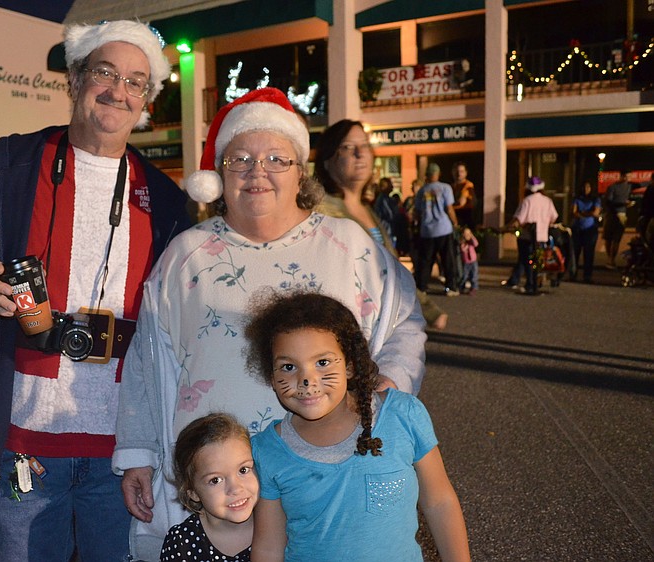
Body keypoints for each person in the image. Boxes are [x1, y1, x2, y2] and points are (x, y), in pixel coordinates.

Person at [0, 20, 192, 562]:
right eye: (105, 72)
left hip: (122, 448)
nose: (119, 90)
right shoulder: (10, 165)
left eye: (137, 82)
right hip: (23, 440)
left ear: (147, 101)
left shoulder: (163, 198)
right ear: (75, 79)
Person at [113, 88, 427, 561]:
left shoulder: (348, 244)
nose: (257, 172)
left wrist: (385, 385)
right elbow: (145, 358)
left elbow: (405, 319)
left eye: (276, 159)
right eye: (239, 159)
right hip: (216, 496)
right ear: (219, 174)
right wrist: (138, 453)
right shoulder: (184, 255)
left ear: (300, 171)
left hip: (324, 486)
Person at [245, 291, 470, 562]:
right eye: (289, 366)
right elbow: (269, 546)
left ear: (350, 365)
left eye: (322, 362)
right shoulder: (268, 450)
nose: (306, 379)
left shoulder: (403, 416)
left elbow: (440, 502)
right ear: (271, 376)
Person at [313, 119, 448, 330]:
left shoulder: (368, 210)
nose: (360, 153)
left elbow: (393, 269)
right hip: (345, 329)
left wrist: (430, 310)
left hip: (380, 327)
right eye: (348, 147)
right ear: (328, 161)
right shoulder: (320, 210)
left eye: (365, 145)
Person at [161, 413, 258, 562]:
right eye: (215, 480)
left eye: (243, 470)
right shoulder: (181, 542)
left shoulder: (279, 524)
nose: (235, 488)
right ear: (193, 492)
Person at [502, 176, 559, 295]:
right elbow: (554, 217)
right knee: (535, 260)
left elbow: (519, 219)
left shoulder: (527, 201)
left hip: (526, 236)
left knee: (526, 259)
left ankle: (530, 283)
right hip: (541, 236)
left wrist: (506, 228)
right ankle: (519, 280)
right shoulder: (547, 201)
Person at [415, 163, 460, 296]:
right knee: (448, 259)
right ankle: (450, 287)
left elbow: (418, 212)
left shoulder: (421, 191)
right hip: (444, 228)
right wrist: (455, 223)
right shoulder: (445, 188)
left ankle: (422, 288)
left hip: (427, 230)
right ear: (438, 174)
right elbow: (449, 209)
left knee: (426, 260)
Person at [570, 181, 601, 283]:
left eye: (588, 187)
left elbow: (596, 212)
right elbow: (573, 212)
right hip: (577, 229)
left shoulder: (595, 199)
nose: (585, 189)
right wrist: (588, 213)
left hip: (590, 229)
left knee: (588, 253)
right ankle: (573, 274)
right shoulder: (577, 199)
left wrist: (582, 213)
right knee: (575, 253)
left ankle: (587, 276)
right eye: (584, 187)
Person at [602, 170, 633, 268]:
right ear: (622, 177)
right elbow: (608, 202)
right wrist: (624, 204)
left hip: (622, 215)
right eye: (627, 177)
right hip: (612, 215)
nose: (628, 179)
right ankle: (609, 258)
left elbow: (641, 184)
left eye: (629, 177)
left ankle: (611, 259)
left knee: (616, 239)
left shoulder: (629, 186)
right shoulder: (612, 187)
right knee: (608, 238)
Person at [451, 161, 476, 229]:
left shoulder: (468, 185)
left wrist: (448, 206)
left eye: (461, 171)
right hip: (453, 215)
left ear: (466, 173)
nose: (459, 174)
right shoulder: (452, 186)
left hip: (464, 216)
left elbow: (461, 202)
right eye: (457, 171)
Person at [459, 226, 479, 294]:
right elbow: (462, 249)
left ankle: (474, 288)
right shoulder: (463, 243)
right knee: (464, 276)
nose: (467, 235)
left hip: (473, 261)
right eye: (466, 234)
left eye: (469, 233)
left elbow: (476, 244)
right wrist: (465, 243)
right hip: (466, 262)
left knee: (474, 275)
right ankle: (461, 287)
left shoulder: (471, 242)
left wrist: (472, 237)